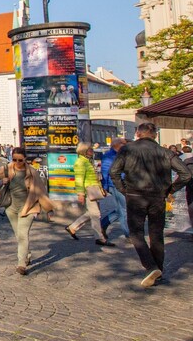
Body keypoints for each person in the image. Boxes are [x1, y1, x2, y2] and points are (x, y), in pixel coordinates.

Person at [109, 122, 191, 288]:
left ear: (137, 134)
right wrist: (170, 190)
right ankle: (158, 271)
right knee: (156, 233)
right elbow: (186, 174)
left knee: (136, 232)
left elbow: (114, 172)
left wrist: (123, 189)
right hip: (157, 197)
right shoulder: (165, 152)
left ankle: (151, 266)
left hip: (135, 196)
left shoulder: (127, 150)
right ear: (155, 135)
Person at [0, 148, 52, 275]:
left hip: (28, 207)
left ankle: (21, 265)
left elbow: (41, 191)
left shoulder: (32, 172)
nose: (17, 162)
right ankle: (27, 255)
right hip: (11, 207)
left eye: (20, 160)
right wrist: (1, 181)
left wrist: (48, 209)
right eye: (14, 159)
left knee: (23, 235)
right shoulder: (7, 169)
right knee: (18, 235)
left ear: (25, 159)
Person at [64, 142, 113, 246]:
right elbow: (79, 179)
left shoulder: (87, 161)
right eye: (90, 150)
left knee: (92, 213)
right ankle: (99, 238)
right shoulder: (80, 162)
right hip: (88, 190)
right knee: (96, 214)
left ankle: (72, 227)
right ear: (84, 150)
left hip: (93, 190)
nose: (92, 151)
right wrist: (80, 194)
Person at [99, 138, 130, 241]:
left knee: (119, 210)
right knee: (124, 209)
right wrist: (105, 186)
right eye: (124, 144)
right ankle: (128, 234)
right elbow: (105, 172)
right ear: (118, 145)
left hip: (123, 184)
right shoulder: (109, 156)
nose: (126, 145)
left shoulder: (123, 154)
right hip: (115, 185)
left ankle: (103, 225)